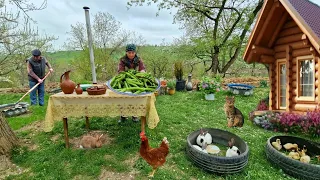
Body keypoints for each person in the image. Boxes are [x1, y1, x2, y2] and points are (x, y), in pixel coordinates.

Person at [117, 44, 146, 123]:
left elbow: (142, 68)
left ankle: (135, 115)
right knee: (123, 98)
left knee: (135, 98)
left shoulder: (139, 60)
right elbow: (120, 71)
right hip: (125, 81)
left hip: (136, 82)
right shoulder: (122, 60)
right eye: (129, 52)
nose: (131, 54)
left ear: (135, 52)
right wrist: (126, 75)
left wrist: (142, 72)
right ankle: (123, 115)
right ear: (126, 52)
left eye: (132, 52)